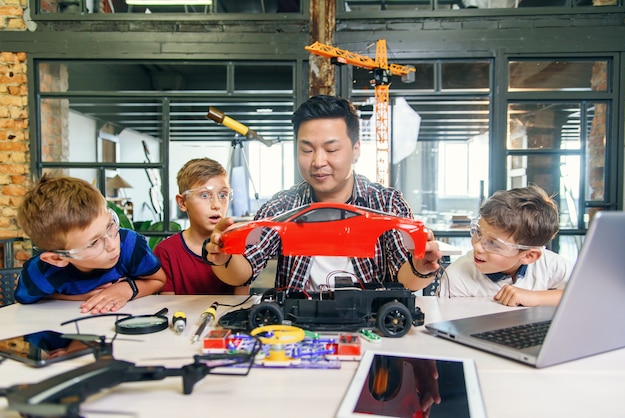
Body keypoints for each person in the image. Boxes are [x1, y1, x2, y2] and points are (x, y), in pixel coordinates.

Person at [203, 95, 442, 292]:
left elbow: (405, 278)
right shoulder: (283, 206)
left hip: (369, 330)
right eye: (306, 150)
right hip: (296, 331)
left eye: (332, 149)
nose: (318, 161)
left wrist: (419, 267)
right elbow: (244, 270)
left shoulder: (386, 203)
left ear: (356, 149)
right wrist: (223, 258)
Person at [15, 174, 166, 314]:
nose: (112, 244)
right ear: (58, 259)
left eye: (110, 225)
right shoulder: (42, 273)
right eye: (93, 243)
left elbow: (158, 280)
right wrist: (80, 297)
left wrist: (127, 289)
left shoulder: (129, 244)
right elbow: (24, 300)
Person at [438, 184, 573, 306]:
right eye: (478, 232)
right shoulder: (457, 277)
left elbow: (589, 295)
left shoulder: (550, 265)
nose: (477, 246)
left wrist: (535, 298)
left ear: (529, 256)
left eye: (493, 243)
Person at [154, 158, 249, 295]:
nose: (216, 204)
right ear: (182, 202)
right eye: (204, 195)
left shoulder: (238, 247)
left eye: (223, 195)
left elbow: (242, 303)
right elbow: (168, 307)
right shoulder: (166, 252)